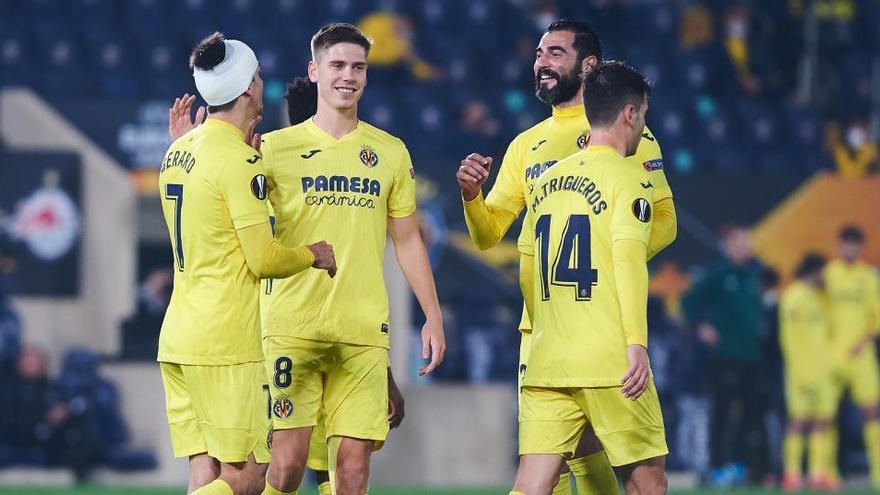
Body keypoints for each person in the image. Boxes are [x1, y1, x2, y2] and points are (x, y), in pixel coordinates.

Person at [456, 19, 676, 494]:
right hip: (542, 329)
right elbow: (488, 234)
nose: (541, 63)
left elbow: (663, 221)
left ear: (589, 64)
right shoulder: (526, 144)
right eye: (538, 53)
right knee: (580, 460)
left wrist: (605, 268)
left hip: (589, 319)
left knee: (570, 459)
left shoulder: (632, 135)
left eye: (555, 52)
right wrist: (472, 198)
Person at [256, 24, 445, 495]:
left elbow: (407, 241)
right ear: (314, 71)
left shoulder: (389, 152)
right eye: (338, 65)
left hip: (362, 330)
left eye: (358, 67)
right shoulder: (274, 151)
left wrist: (432, 315)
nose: (349, 76)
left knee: (354, 470)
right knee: (286, 466)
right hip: (291, 325)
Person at [158, 32, 336, 495]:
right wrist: (311, 254)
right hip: (226, 343)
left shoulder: (176, 151)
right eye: (257, 76)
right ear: (245, 91)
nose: (262, 83)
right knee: (248, 476)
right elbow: (263, 259)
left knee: (206, 468)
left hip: (179, 336)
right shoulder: (238, 161)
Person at [513, 60, 667, 495]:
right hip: (610, 362)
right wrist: (636, 344)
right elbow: (628, 263)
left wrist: (546, 330)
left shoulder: (546, 180)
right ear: (629, 114)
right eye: (643, 115)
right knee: (646, 484)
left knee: (531, 486)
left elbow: (527, 266)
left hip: (546, 361)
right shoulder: (630, 180)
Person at [681, 225, 765, 485]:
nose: (744, 248)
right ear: (727, 246)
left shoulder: (753, 274)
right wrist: (700, 327)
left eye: (747, 243)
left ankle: (740, 465)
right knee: (722, 412)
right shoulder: (717, 273)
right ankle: (717, 467)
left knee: (751, 414)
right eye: (739, 243)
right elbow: (688, 301)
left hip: (751, 355)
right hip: (724, 355)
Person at [825, 225, 880, 488]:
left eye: (854, 244)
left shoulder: (869, 278)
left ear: (860, 247)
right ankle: (828, 473)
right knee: (827, 416)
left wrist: (864, 342)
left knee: (872, 413)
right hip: (832, 355)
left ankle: (878, 474)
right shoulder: (828, 275)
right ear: (838, 246)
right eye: (845, 243)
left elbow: (877, 317)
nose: (850, 248)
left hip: (862, 355)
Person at [779, 254, 835, 491]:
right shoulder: (793, 296)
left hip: (823, 370)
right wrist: (798, 369)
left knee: (822, 421)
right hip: (800, 370)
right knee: (798, 421)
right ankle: (791, 474)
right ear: (814, 270)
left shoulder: (822, 297)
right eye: (823, 271)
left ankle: (816, 473)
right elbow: (788, 338)